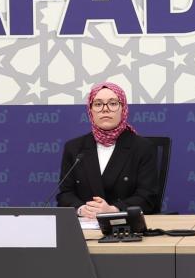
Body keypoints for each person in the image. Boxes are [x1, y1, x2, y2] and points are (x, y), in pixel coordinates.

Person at [57, 81, 160, 218]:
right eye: (98, 104)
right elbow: (65, 194)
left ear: (123, 109)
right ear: (90, 110)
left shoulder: (142, 147)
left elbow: (148, 197)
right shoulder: (74, 148)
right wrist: (81, 209)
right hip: (85, 224)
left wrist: (113, 210)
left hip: (124, 224)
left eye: (112, 103)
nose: (105, 109)